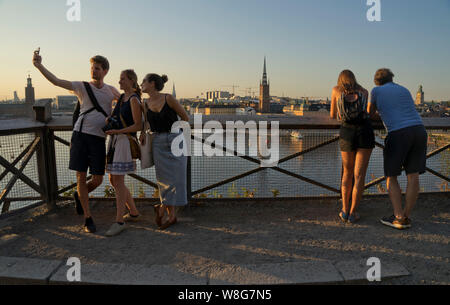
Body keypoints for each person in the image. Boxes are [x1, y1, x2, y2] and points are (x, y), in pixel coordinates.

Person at [33, 51, 120, 233]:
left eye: (97, 68)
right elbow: (57, 81)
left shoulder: (111, 90)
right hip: (80, 136)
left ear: (105, 71)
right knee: (80, 177)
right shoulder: (82, 86)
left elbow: (127, 102)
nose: (93, 71)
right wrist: (39, 65)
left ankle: (79, 195)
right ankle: (88, 218)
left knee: (97, 179)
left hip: (99, 139)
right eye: (92, 68)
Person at [368, 68, 427, 230]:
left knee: (391, 175)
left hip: (399, 133)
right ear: (392, 78)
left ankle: (398, 216)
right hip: (419, 130)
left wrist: (384, 114)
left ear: (377, 81)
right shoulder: (404, 89)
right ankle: (407, 216)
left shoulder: (376, 91)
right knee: (413, 175)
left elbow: (369, 113)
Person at [140, 73, 189, 230]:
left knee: (178, 178)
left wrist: (173, 133)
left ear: (152, 84)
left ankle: (162, 207)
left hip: (176, 140)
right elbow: (146, 123)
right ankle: (171, 216)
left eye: (144, 82)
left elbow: (185, 118)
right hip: (158, 141)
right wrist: (142, 132)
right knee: (164, 180)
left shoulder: (168, 98)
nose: (141, 84)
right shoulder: (144, 103)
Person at [331, 70, 375, 223]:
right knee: (359, 176)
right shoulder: (364, 92)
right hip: (365, 132)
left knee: (347, 173)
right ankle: (353, 212)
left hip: (347, 133)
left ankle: (344, 210)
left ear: (340, 80)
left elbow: (332, 115)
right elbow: (366, 113)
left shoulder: (336, 91)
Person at [104, 70, 142, 236]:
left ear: (131, 81)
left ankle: (119, 221)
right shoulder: (122, 98)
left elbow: (138, 126)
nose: (119, 82)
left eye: (122, 79)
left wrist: (118, 130)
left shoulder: (133, 99)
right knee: (114, 179)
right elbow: (115, 116)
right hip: (115, 139)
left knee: (118, 180)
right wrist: (109, 121)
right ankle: (133, 212)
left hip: (124, 141)